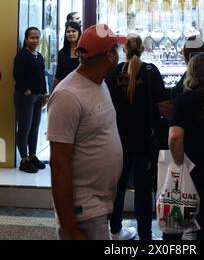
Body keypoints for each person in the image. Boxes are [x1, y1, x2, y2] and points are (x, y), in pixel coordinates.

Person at [47, 24, 126, 240]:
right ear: (110, 55)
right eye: (116, 49)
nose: (119, 53)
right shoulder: (67, 96)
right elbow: (59, 164)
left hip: (99, 206)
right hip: (83, 212)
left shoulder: (98, 83)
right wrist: (70, 229)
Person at [106, 33, 172, 241]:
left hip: (118, 140)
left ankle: (115, 231)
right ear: (143, 49)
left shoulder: (114, 72)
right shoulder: (151, 71)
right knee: (144, 191)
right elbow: (164, 106)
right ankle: (145, 235)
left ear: (124, 50)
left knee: (118, 186)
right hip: (145, 141)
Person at [169, 53, 204, 239]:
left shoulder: (183, 101)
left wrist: (178, 165)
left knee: (176, 231)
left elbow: (175, 136)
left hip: (188, 178)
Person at [13, 27, 48, 173]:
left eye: (37, 37)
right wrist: (27, 90)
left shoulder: (38, 56)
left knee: (34, 128)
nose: (35, 40)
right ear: (26, 39)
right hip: (25, 97)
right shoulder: (22, 56)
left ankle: (33, 156)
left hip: (38, 96)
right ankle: (24, 160)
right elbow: (17, 75)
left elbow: (41, 75)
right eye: (32, 37)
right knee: (24, 129)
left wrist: (45, 93)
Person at [52, 22, 82, 91]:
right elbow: (59, 74)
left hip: (81, 89)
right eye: (68, 31)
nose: (70, 33)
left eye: (74, 31)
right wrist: (53, 92)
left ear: (79, 33)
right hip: (65, 89)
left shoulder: (84, 51)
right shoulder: (61, 53)